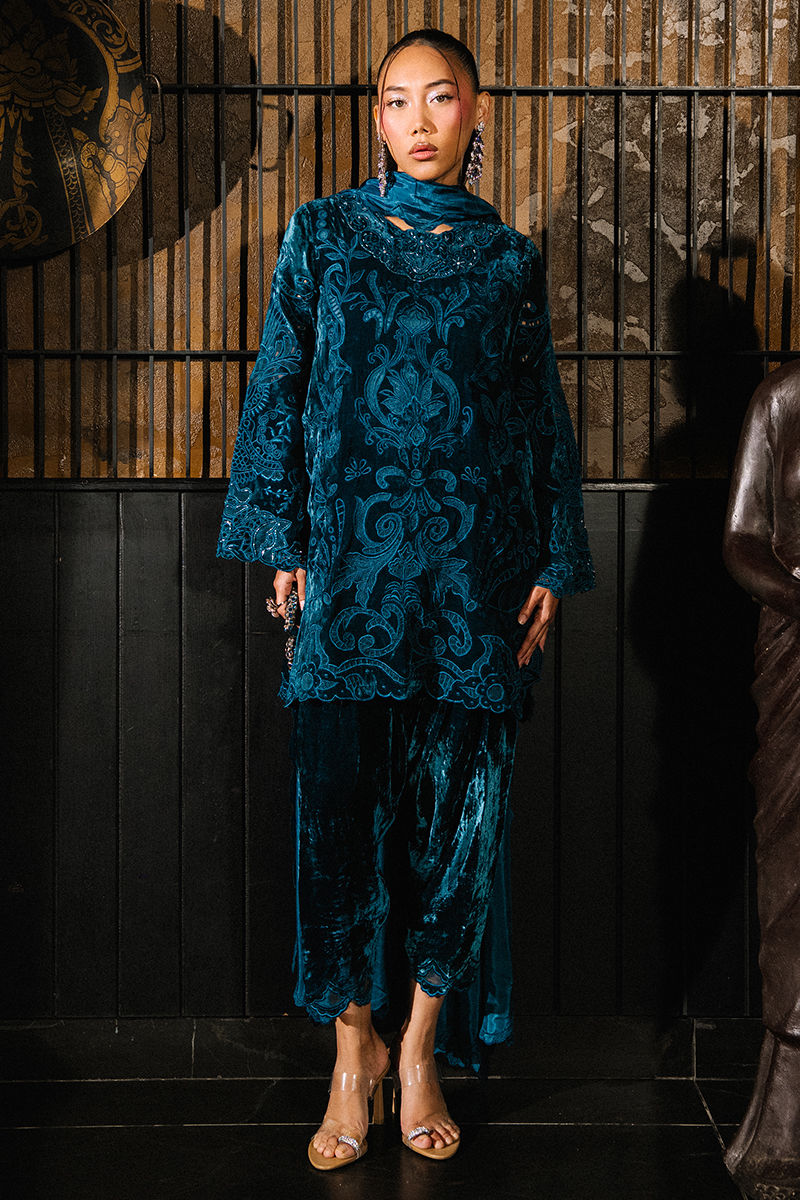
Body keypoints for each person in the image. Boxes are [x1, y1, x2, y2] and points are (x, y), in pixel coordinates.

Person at [217, 28, 593, 1170]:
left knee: (462, 822)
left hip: (476, 580)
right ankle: (353, 1052)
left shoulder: (509, 260)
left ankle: (420, 1047)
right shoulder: (322, 235)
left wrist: (552, 557)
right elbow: (279, 385)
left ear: (476, 111)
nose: (418, 120)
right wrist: (281, 535)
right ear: (375, 117)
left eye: (440, 98)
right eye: (396, 100)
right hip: (347, 577)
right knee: (333, 818)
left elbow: (537, 414)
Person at [723, 359, 800, 1198]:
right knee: (794, 867)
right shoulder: (781, 399)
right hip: (796, 653)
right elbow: (742, 539)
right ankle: (786, 1116)